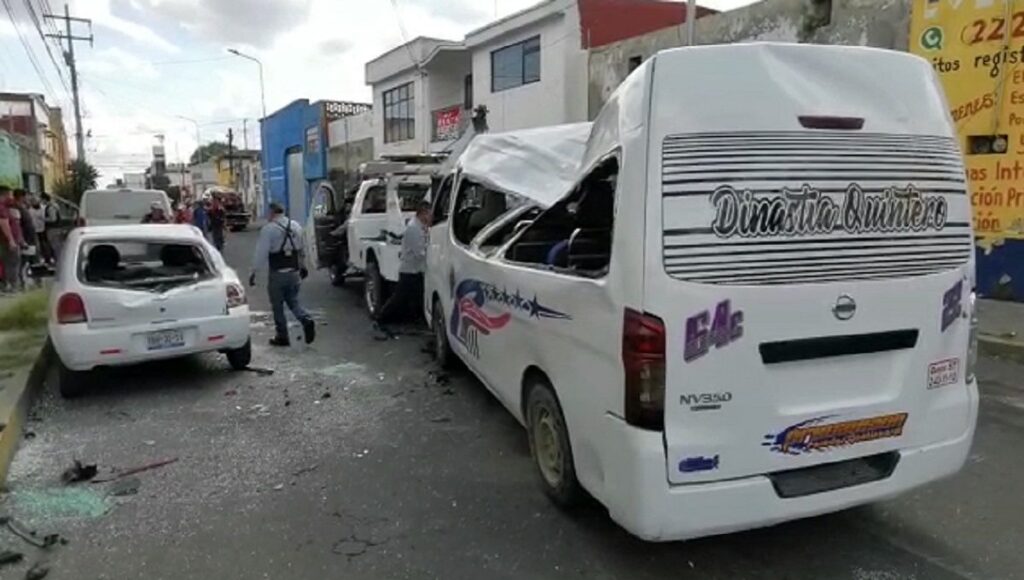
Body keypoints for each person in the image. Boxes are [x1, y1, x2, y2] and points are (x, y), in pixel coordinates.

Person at [249, 203, 315, 347]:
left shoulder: (269, 229)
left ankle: (282, 336)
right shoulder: (296, 226)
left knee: (277, 306)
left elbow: (261, 253)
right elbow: (302, 249)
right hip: (294, 272)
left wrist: (254, 272)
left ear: (272, 213)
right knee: (293, 301)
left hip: (277, 273)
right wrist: (303, 266)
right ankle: (306, 319)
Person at [374, 201, 431, 334]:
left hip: (415, 269)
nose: (431, 217)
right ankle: (381, 318)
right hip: (409, 270)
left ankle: (413, 321)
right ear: (423, 213)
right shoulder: (413, 228)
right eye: (429, 213)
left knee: (416, 297)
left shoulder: (420, 226)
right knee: (399, 298)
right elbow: (419, 252)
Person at [0, 186, 24, 292]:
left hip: (7, 240)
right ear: (4, 194)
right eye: (9, 195)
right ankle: (12, 286)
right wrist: (11, 240)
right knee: (12, 262)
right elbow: (4, 223)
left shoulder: (5, 206)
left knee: (10, 262)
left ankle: (10, 285)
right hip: (6, 241)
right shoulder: (1, 208)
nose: (10, 197)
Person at [41, 193, 62, 263]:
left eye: (41, 199)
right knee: (56, 246)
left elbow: (53, 219)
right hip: (56, 228)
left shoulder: (50, 207)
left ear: (44, 199)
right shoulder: (54, 205)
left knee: (55, 246)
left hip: (53, 229)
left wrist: (43, 219)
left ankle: (58, 262)